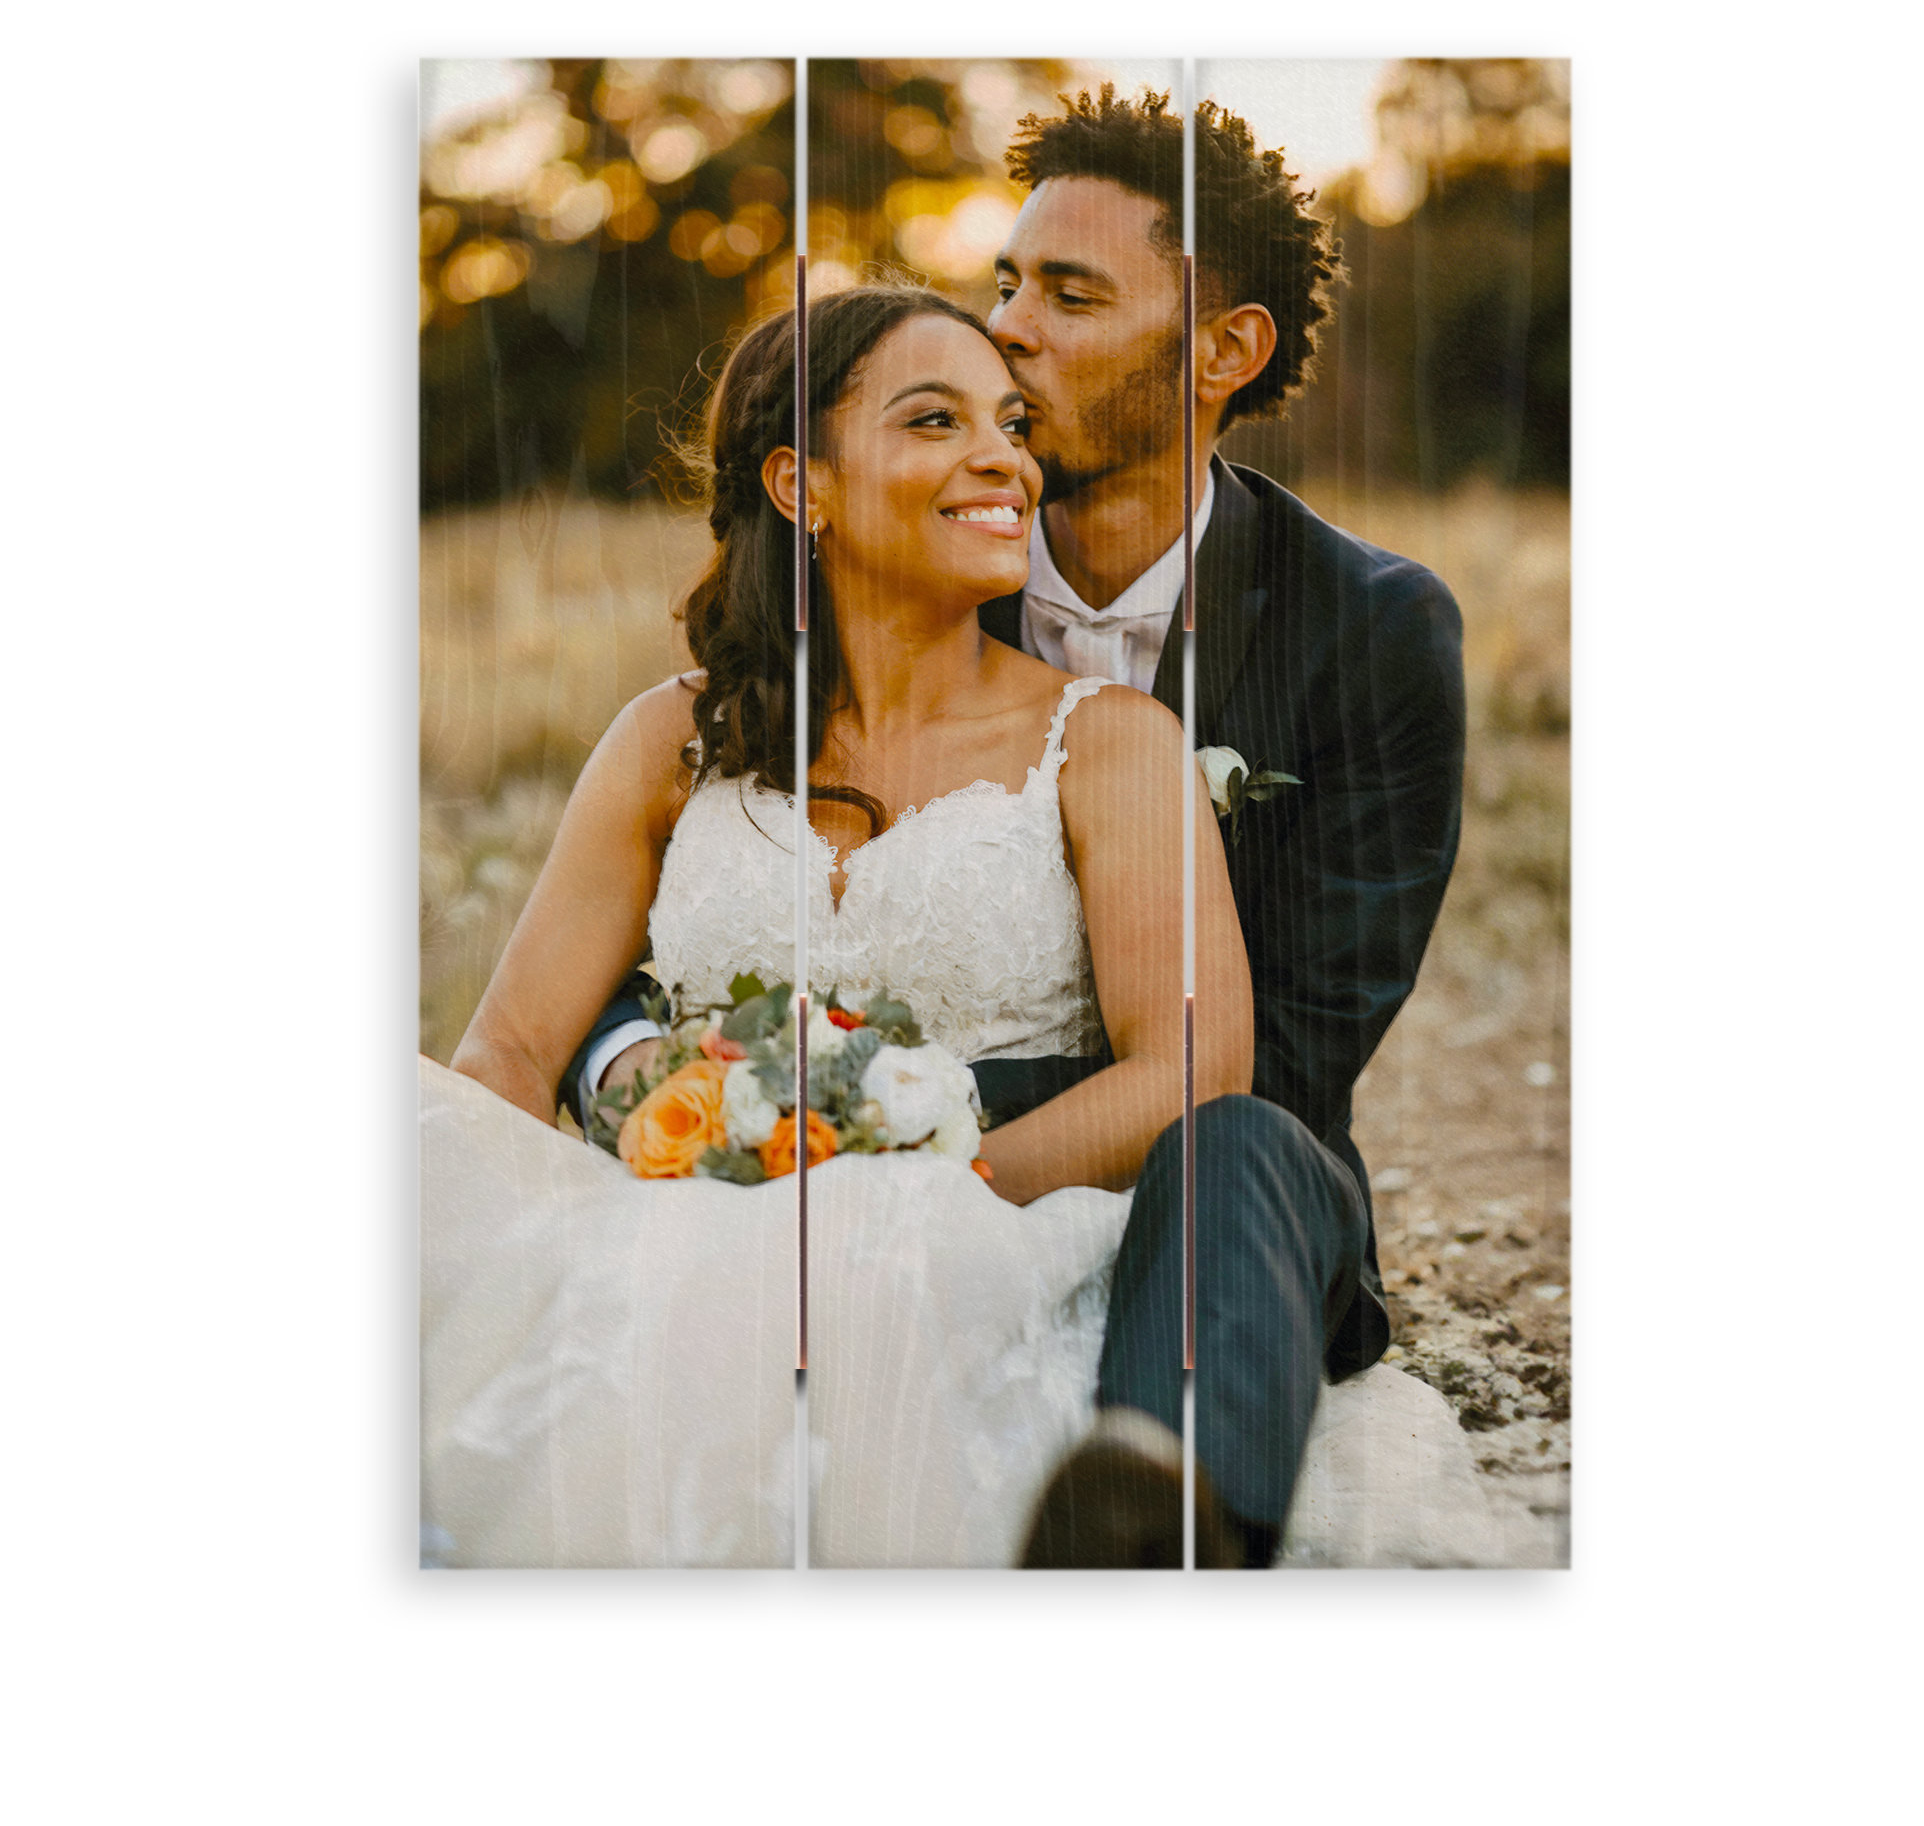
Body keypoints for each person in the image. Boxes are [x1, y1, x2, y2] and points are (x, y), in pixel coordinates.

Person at [574, 86, 1467, 1569]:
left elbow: (1289, 1048)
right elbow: (686, 901)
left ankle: (1159, 1510)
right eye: (1004, 283)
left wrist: (876, 1104)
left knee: (1236, 1129)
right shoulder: (900, 563)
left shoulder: (1366, 629)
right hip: (792, 1181)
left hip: (1205, 1210)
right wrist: (700, 1088)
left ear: (1223, 353)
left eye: (1069, 294)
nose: (1010, 330)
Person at [422, 282, 1253, 1570]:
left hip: (993, 1243)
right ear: (802, 486)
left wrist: (924, 1204)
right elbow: (511, 1055)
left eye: (1013, 424)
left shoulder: (1106, 743)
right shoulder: (670, 739)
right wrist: (623, 1228)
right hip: (679, 1237)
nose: (1004, 461)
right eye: (935, 422)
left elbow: (1192, 1065)